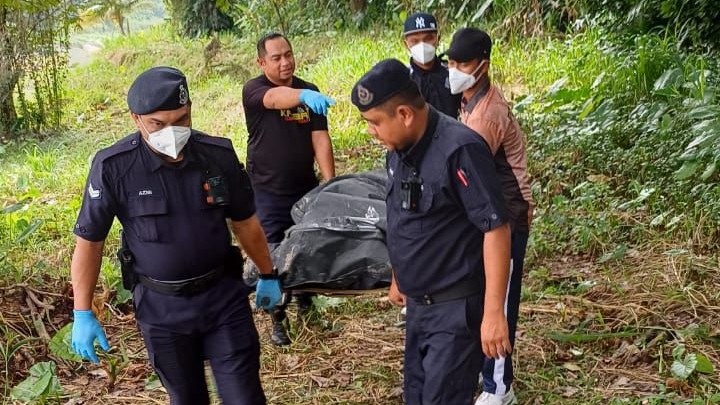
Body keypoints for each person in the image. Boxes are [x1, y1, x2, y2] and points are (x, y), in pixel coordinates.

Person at [69, 66, 282, 405]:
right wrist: (82, 312)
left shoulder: (218, 155)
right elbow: (90, 241)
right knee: (186, 398)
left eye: (181, 120)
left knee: (245, 397)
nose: (172, 131)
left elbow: (245, 222)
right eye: (157, 123)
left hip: (223, 300)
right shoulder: (114, 168)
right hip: (161, 311)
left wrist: (268, 274)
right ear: (136, 119)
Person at [351, 59, 512, 405]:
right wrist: (400, 273)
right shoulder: (398, 150)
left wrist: (494, 313)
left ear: (405, 114)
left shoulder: (460, 150)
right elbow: (402, 215)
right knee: (417, 396)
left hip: (454, 309)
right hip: (419, 307)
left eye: (375, 123)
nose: (371, 132)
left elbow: (496, 228)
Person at [446, 27, 534, 405]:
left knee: (498, 302)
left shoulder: (488, 115)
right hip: (486, 213)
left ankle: (500, 388)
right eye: (450, 62)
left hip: (507, 217)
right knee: (484, 292)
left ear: (482, 66)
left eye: (461, 64)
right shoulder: (469, 99)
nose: (454, 70)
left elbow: (468, 170)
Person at [242, 32, 336, 346]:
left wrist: (330, 183)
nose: (285, 62)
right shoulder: (255, 90)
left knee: (306, 247)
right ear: (261, 62)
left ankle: (306, 304)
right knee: (272, 254)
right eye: (276, 58)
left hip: (304, 186)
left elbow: (320, 139)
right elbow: (275, 99)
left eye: (288, 54)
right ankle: (278, 319)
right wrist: (301, 98)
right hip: (267, 190)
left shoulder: (310, 90)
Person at [403, 12, 461, 118]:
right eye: (414, 41)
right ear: (406, 44)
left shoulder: (453, 73)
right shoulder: (403, 80)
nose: (422, 45)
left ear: (438, 39)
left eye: (428, 38)